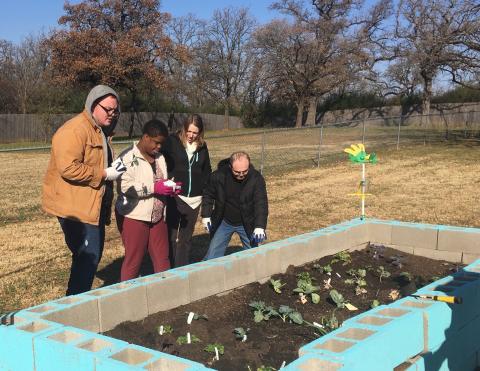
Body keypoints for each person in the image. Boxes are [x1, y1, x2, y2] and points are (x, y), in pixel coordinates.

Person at [42, 85, 125, 295]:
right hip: (76, 208)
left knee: (88, 257)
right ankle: (74, 306)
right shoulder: (74, 130)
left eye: (115, 110)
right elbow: (68, 167)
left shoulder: (99, 131)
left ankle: (75, 302)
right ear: (92, 105)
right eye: (108, 109)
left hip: (92, 206)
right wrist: (105, 174)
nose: (112, 114)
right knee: (88, 258)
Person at [115, 119, 181, 281]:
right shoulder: (125, 157)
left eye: (161, 144)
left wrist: (169, 187)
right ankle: (127, 297)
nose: (159, 147)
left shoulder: (159, 157)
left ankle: (164, 294)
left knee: (162, 259)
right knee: (134, 260)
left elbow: (160, 179)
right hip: (135, 216)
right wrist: (155, 188)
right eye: (156, 143)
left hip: (158, 217)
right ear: (145, 137)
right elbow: (125, 187)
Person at [161, 114, 212, 267]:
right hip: (176, 196)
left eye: (195, 132)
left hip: (195, 199)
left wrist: (205, 187)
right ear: (184, 129)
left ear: (200, 132)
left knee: (186, 237)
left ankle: (181, 266)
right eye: (188, 131)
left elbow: (206, 169)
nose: (191, 135)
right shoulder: (172, 141)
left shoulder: (202, 146)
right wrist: (168, 180)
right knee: (171, 234)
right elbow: (160, 159)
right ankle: (167, 266)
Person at [202, 151, 268, 260]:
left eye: (244, 171)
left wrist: (259, 226)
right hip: (224, 221)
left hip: (247, 222)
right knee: (213, 255)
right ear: (230, 166)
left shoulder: (256, 179)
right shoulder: (218, 176)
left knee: (254, 255)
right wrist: (206, 215)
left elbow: (261, 203)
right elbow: (208, 194)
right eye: (237, 172)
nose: (241, 175)